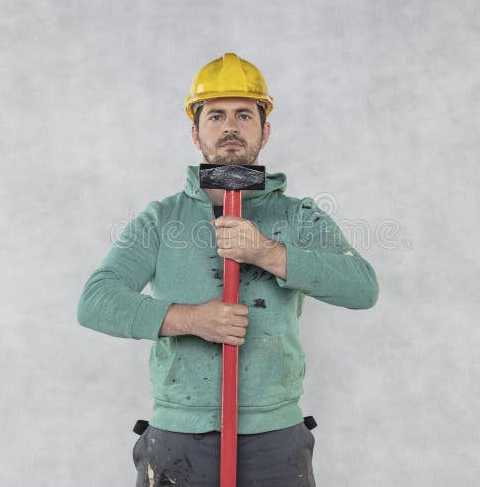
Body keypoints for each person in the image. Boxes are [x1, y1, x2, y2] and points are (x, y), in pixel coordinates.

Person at [77, 52, 379, 486]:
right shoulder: (161, 219)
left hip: (273, 439)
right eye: (215, 116)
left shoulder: (298, 217)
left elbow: (362, 288)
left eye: (244, 115)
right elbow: (95, 301)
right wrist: (192, 319)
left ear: (265, 130)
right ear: (196, 133)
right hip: (180, 438)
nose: (230, 127)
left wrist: (267, 253)